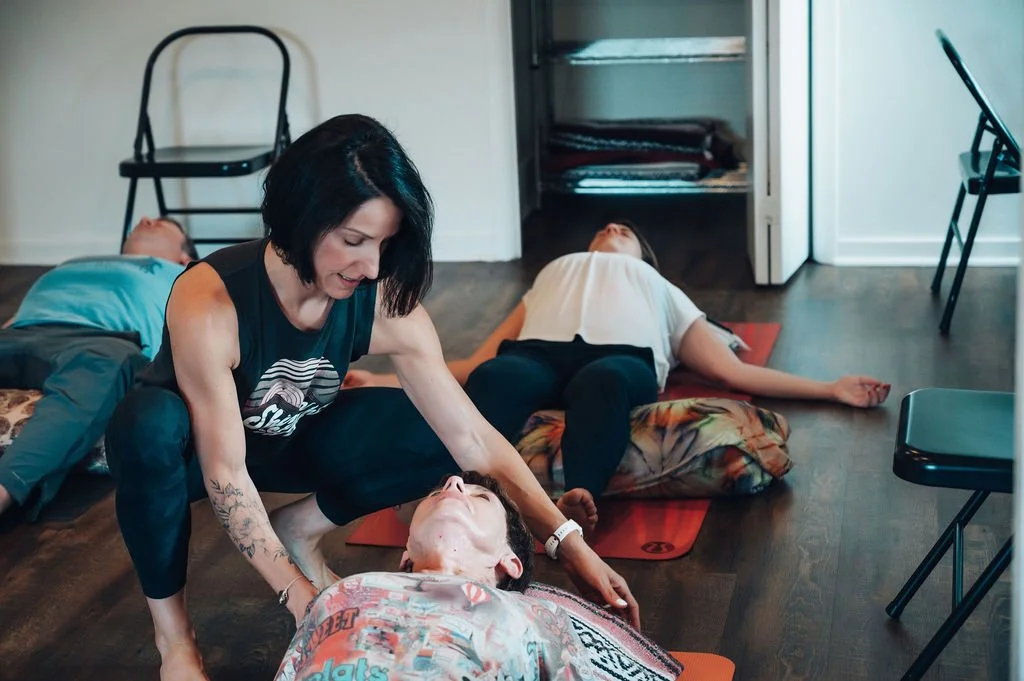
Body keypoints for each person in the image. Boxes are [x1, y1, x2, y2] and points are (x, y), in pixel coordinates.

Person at [103, 114, 638, 681]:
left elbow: (473, 438)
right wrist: (303, 598)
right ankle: (175, 640)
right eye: (353, 241)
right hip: (193, 454)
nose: (372, 266)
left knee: (436, 429)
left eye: (384, 243)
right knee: (144, 424)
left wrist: (570, 544)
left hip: (293, 437)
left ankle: (299, 528)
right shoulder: (210, 300)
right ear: (301, 218)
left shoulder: (379, 299)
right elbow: (226, 474)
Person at [347, 220, 891, 534]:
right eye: (604, 228)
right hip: (536, 355)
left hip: (619, 358)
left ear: (642, 255)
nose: (612, 228)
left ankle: (579, 494)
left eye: (625, 231)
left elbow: (730, 369)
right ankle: (452, 487)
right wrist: (384, 380)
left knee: (602, 382)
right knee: (499, 375)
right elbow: (470, 365)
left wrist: (831, 389)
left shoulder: (659, 286)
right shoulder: (555, 271)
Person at [273, 471, 561, 680]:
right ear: (407, 554)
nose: (453, 483)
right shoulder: (343, 593)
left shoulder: (532, 615)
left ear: (509, 561)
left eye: (481, 497)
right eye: (435, 494)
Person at [0, 216, 196, 520]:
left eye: (163, 223)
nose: (146, 219)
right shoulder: (74, 263)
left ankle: (4, 489)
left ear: (184, 258)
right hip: (22, 333)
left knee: (95, 374)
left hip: (99, 342)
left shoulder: (189, 276)